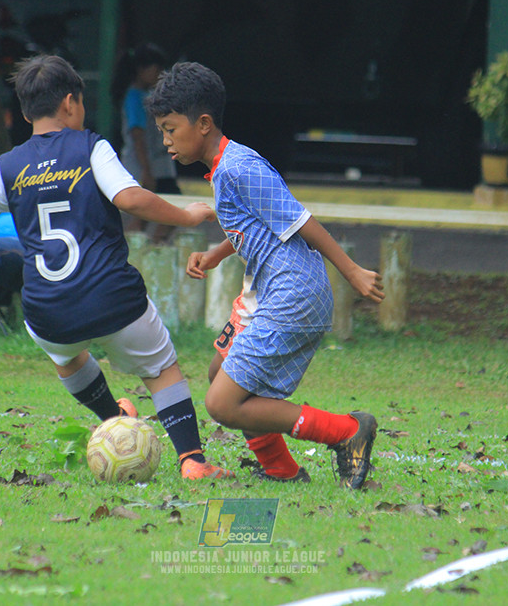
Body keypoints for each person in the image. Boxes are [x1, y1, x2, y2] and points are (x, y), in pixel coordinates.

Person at [0, 54, 233, 480]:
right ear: (70, 103)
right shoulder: (90, 147)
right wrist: (187, 216)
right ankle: (192, 460)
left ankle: (113, 416)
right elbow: (130, 198)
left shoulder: (8, 167)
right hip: (112, 299)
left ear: (26, 112)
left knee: (66, 356)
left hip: (49, 310)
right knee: (160, 369)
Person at [146, 61, 385, 488]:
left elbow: (299, 219)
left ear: (203, 124)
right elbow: (256, 225)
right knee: (219, 372)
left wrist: (351, 271)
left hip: (292, 295)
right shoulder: (224, 167)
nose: (165, 141)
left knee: (222, 404)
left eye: (170, 129)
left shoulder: (240, 167)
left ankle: (346, 431)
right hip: (268, 291)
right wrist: (217, 253)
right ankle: (280, 468)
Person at [112, 42, 180, 243]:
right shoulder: (134, 98)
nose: (159, 75)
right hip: (145, 166)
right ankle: (143, 247)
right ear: (142, 69)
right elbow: (137, 136)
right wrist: (146, 171)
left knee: (158, 213)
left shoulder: (148, 95)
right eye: (156, 70)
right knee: (157, 213)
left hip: (157, 166)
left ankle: (149, 246)